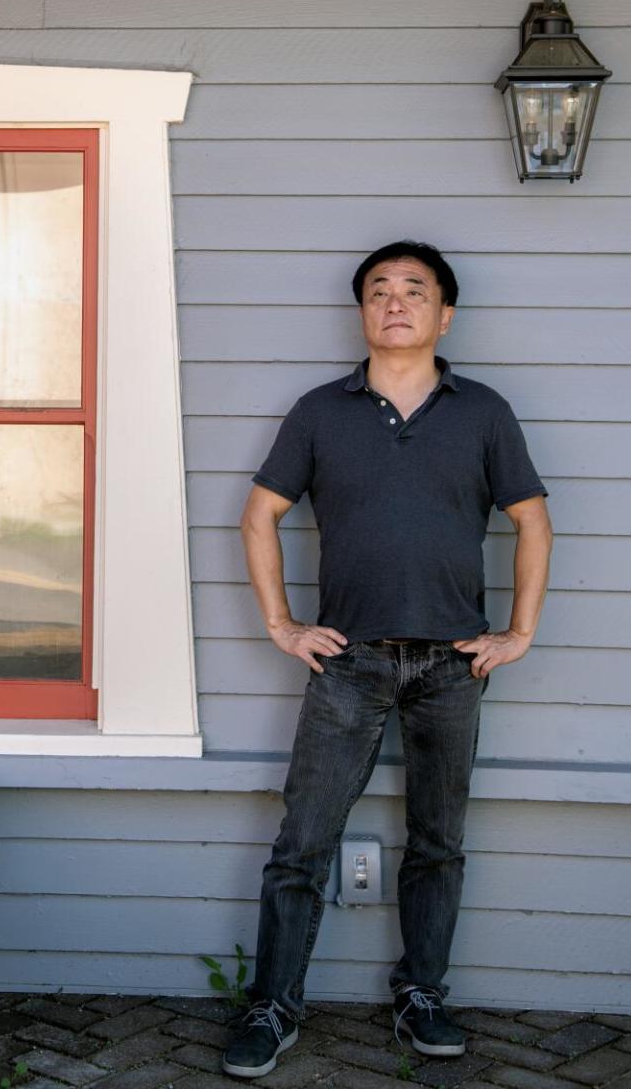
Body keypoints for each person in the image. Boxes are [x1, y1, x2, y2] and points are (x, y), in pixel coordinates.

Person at [223, 240, 553, 1080]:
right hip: (350, 662)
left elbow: (533, 522)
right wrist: (283, 624)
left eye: (415, 290)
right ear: (362, 312)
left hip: (453, 664)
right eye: (378, 290)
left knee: (439, 841)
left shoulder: (483, 411)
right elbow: (258, 516)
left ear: (445, 315)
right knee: (304, 840)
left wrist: (519, 633)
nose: (395, 302)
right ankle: (274, 1003)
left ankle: (423, 995)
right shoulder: (320, 411)